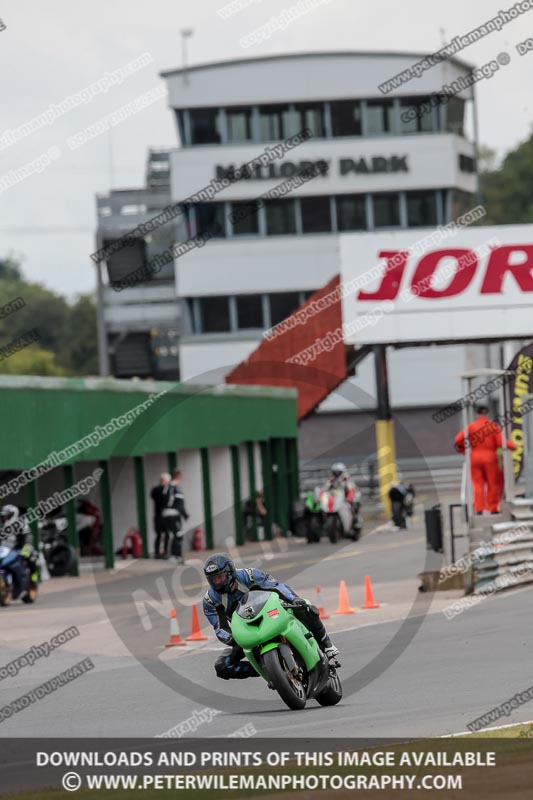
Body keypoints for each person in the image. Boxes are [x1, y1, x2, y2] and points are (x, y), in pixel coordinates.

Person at [202, 553, 340, 680]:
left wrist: (293, 600)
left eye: (220, 577)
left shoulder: (249, 576)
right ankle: (267, 670)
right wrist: (232, 638)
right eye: (213, 579)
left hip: (271, 613)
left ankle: (326, 644)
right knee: (222, 667)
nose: (218, 582)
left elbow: (277, 586)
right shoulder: (210, 600)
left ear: (230, 572)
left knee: (306, 608)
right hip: (248, 630)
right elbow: (219, 628)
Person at [455, 405, 516, 514]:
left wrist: (463, 451)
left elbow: (458, 439)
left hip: (474, 458)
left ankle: (479, 508)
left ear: (476, 414)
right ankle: (492, 508)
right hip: (490, 458)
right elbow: (501, 442)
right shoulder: (493, 427)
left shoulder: (471, 427)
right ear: (487, 414)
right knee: (493, 484)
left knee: (478, 484)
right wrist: (513, 447)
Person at [161, 469, 189, 564]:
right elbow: (180, 504)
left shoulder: (167, 487)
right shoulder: (176, 488)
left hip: (165, 514)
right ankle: (176, 556)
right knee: (178, 535)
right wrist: (185, 515)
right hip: (173, 514)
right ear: (179, 477)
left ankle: (173, 555)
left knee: (173, 534)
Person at [150, 472, 171, 558]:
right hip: (163, 516)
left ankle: (157, 553)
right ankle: (164, 552)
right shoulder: (163, 490)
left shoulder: (155, 489)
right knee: (165, 534)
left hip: (157, 516)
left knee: (159, 535)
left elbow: (152, 496)